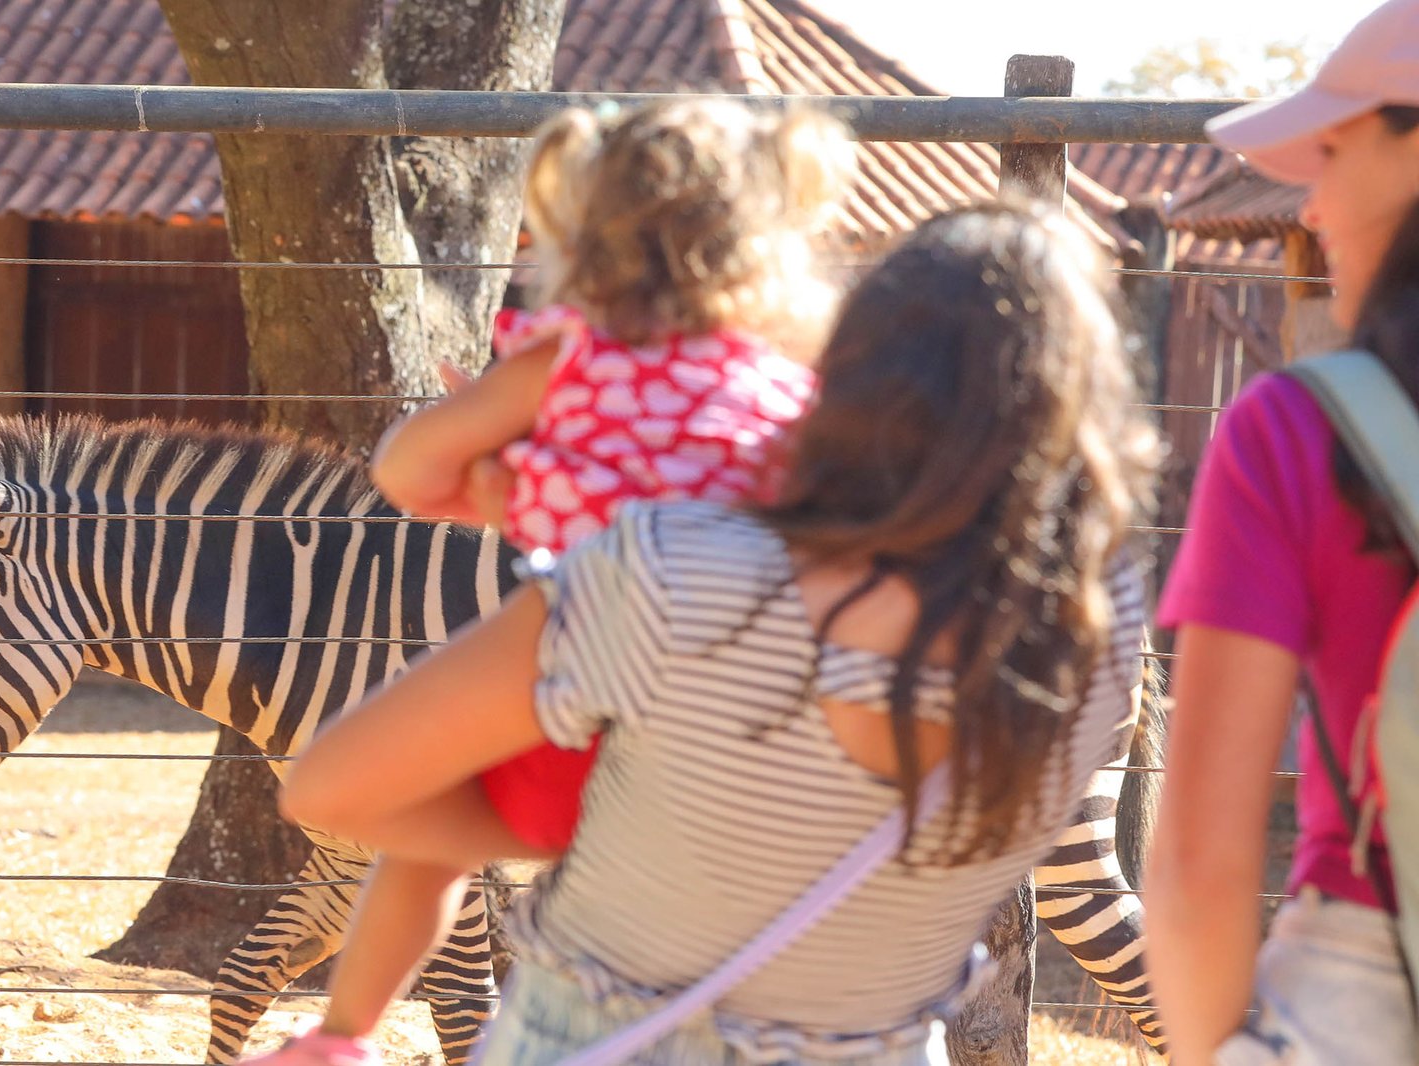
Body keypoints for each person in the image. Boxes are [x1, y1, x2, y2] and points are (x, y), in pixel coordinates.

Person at [277, 199, 1160, 1065]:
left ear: (852, 367)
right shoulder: (1092, 626)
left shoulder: (676, 568)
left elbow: (329, 791)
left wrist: (605, 833)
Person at [243, 97, 852, 1065]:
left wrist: (504, 468)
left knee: (426, 832)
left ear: (582, 226)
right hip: (750, 759)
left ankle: (339, 1034)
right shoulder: (792, 389)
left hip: (574, 724)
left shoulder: (565, 360)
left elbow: (402, 471)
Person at [1146, 2, 1419, 1063]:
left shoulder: (1298, 430)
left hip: (1363, 985)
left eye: (1332, 149)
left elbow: (1198, 873)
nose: (1308, 201)